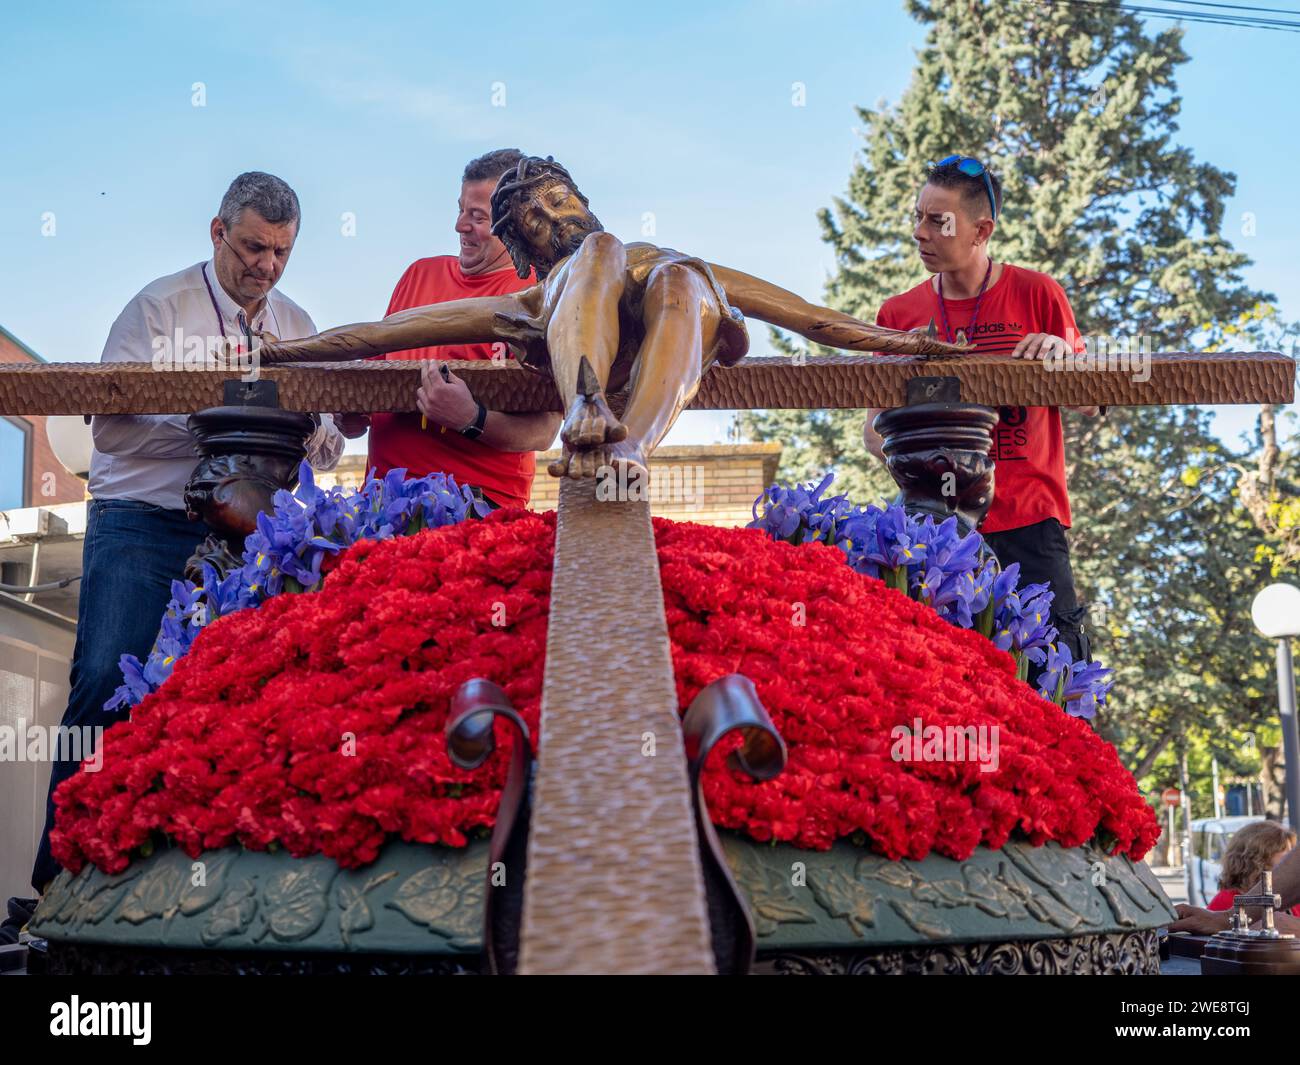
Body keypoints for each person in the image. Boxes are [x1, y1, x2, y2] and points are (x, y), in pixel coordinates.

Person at [264, 155, 961, 483]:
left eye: (557, 200)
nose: (551, 219)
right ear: (524, 249)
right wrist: (281, 355)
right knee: (602, 253)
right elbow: (373, 337)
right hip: (573, 373)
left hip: (670, 344)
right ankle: (587, 407)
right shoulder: (526, 298)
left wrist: (913, 346)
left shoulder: (660, 261)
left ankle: (628, 446)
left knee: (684, 272)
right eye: (532, 221)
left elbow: (806, 316)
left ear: (581, 193)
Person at [29, 172, 343, 894]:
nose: (266, 266)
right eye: (254, 247)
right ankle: (57, 886)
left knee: (231, 703)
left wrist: (320, 424)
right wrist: (216, 431)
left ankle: (186, 892)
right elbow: (109, 428)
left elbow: (325, 448)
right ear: (216, 232)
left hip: (251, 538)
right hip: (142, 525)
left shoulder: (297, 324)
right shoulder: (156, 308)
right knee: (108, 681)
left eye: (282, 253)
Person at [862, 156, 1097, 665]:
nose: (919, 232)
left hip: (1030, 525)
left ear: (981, 230)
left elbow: (1092, 401)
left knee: (1050, 677)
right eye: (918, 216)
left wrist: (1060, 364)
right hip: (935, 530)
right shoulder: (897, 316)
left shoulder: (1038, 294)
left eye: (937, 221)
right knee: (937, 675)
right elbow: (875, 433)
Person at [334, 149, 562, 509]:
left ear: (516, 222)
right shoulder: (417, 275)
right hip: (380, 507)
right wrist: (353, 415)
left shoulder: (539, 296)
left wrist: (472, 419)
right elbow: (372, 376)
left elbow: (545, 430)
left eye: (477, 217)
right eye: (460, 210)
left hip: (477, 508)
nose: (460, 226)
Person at [1206, 821, 1300, 917]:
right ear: (1259, 859)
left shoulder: (1289, 898)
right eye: (1286, 856)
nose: (1290, 862)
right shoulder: (1226, 903)